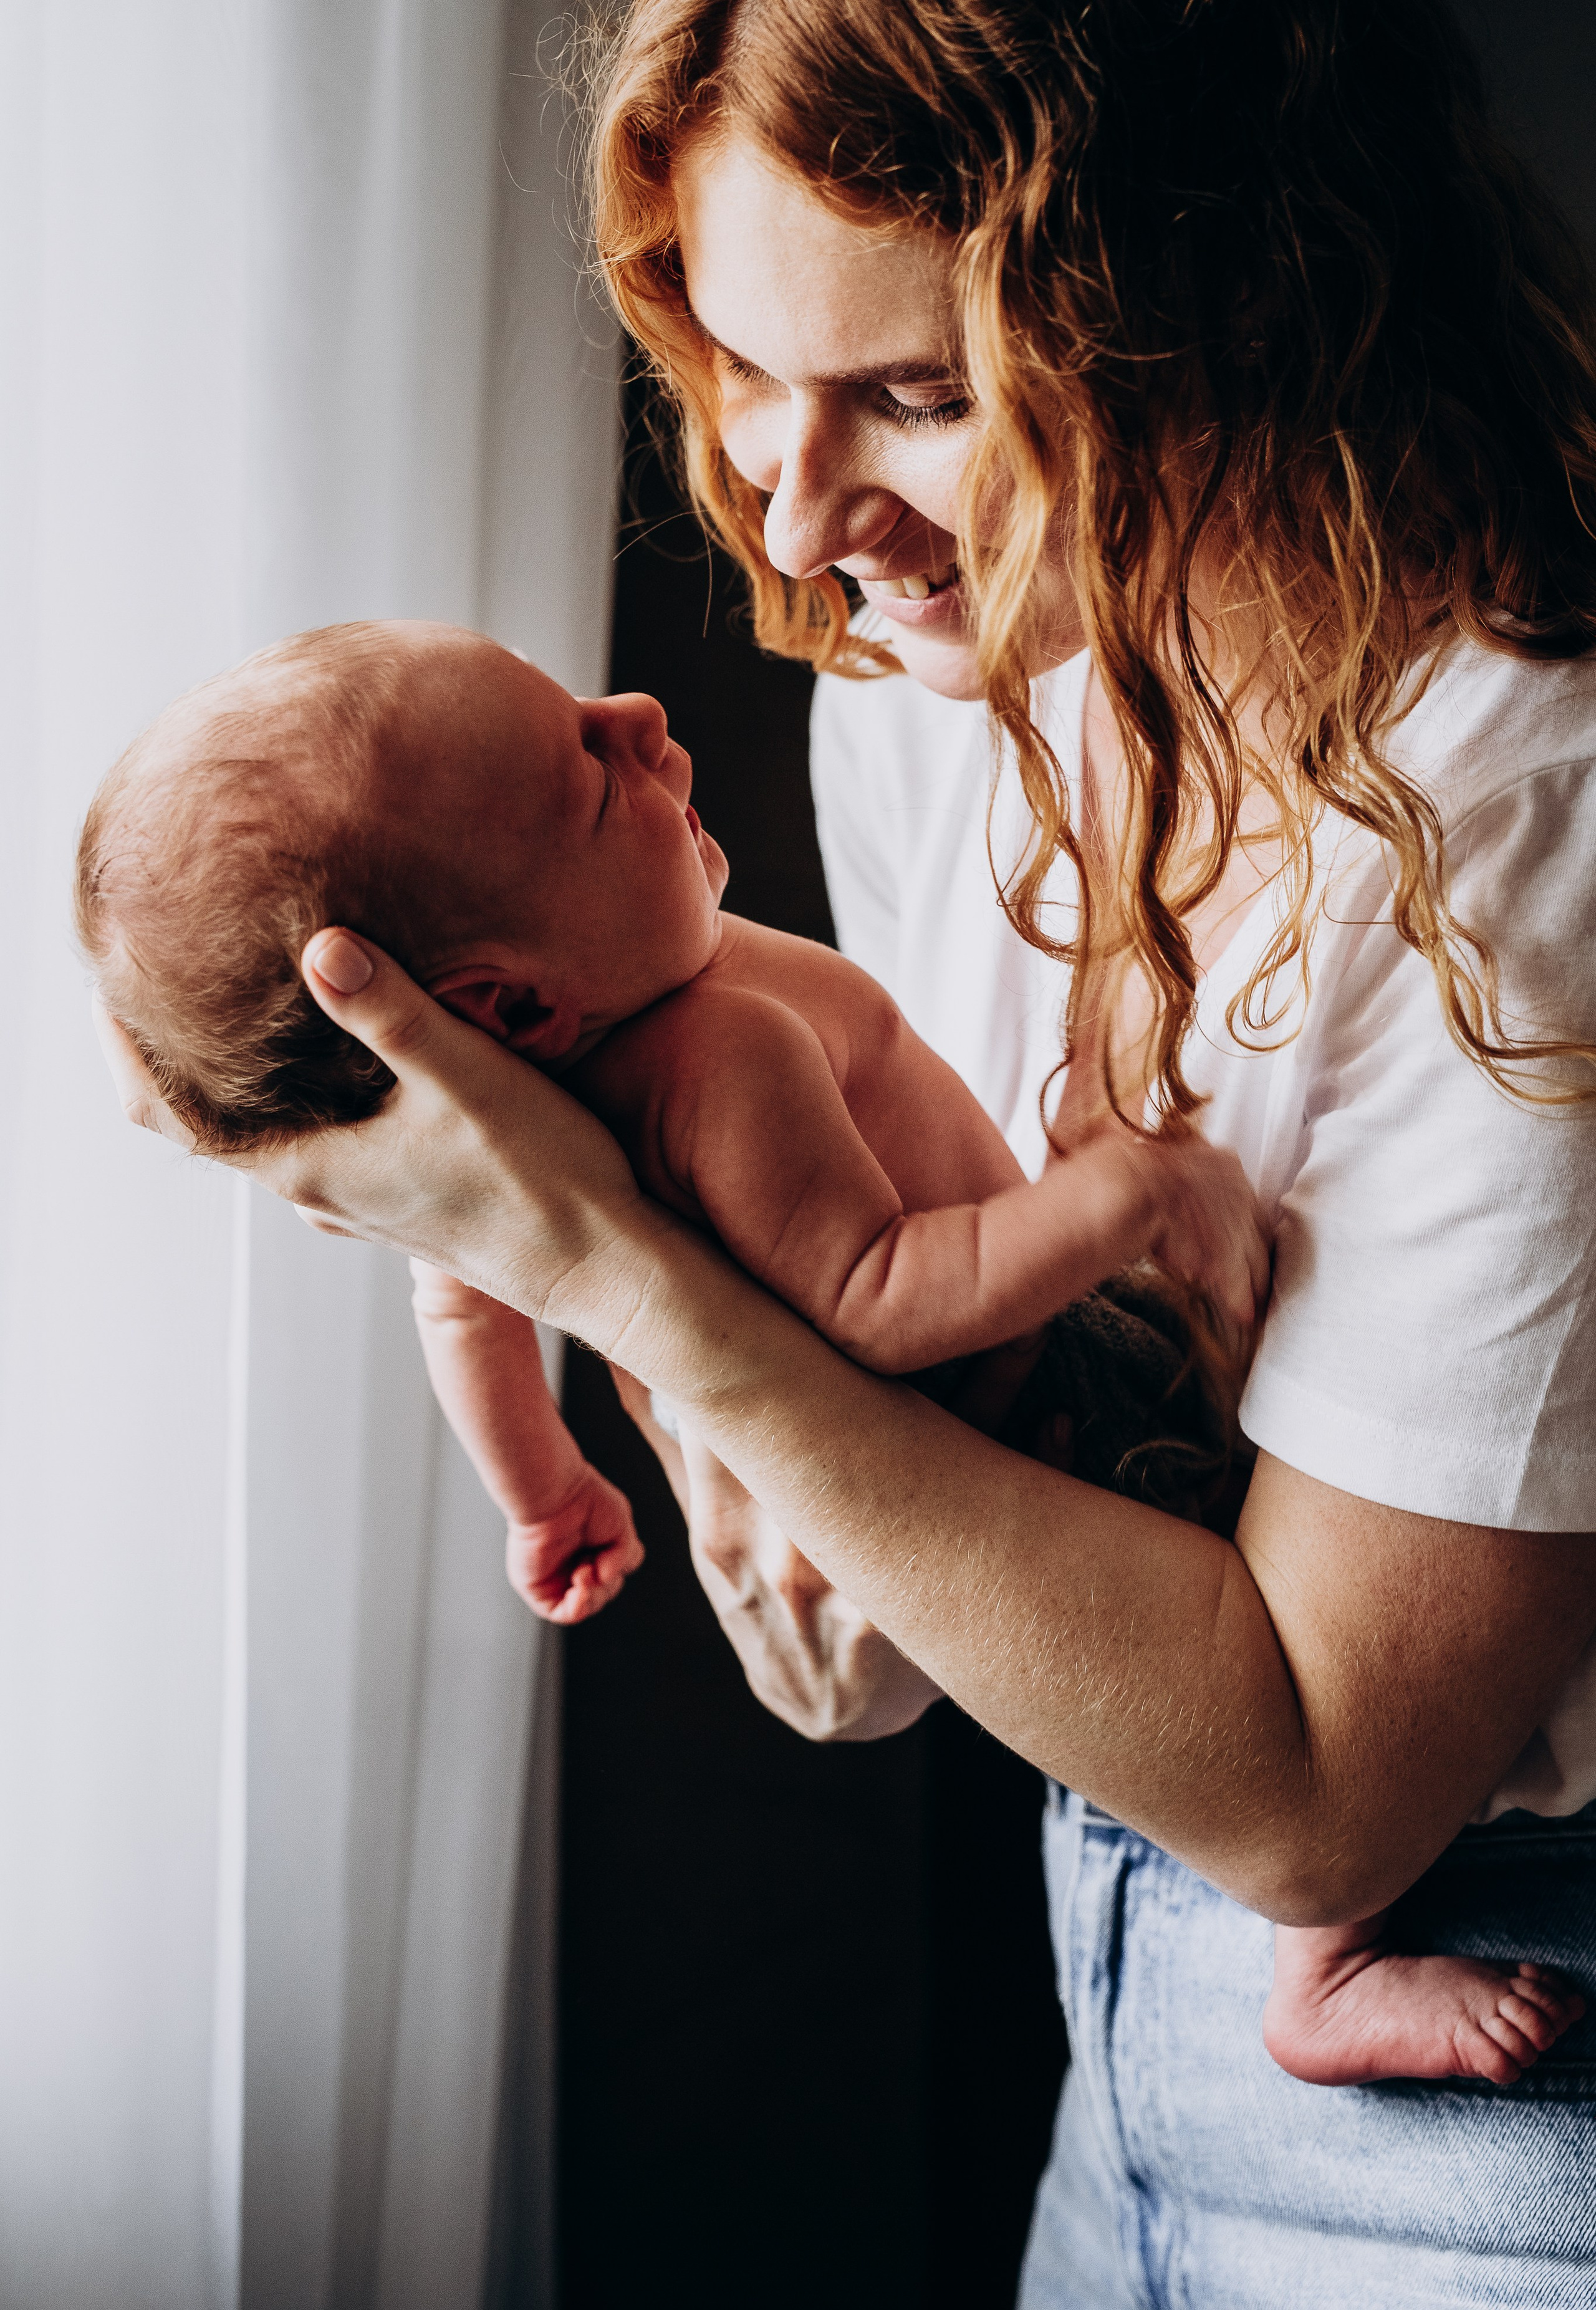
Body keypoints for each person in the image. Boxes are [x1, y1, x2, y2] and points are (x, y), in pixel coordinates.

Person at [97, 0, 1596, 2298]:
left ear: (1221, 310)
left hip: (1506, 2081)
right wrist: (762, 1488)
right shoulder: (931, 697)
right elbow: (876, 1612)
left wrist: (625, 1288)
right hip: (1112, 1994)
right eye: (742, 370)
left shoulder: (1524, 801)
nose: (789, 526)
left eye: (911, 395)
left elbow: (1317, 1795)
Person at [77, 614, 1582, 2090]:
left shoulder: (523, 1150)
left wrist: (542, 1492)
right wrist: (1103, 1200)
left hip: (966, 1567)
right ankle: (1324, 1963)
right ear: (514, 1001)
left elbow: (458, 1300)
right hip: (1043, 1420)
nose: (642, 718)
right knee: (1259, 1530)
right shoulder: (714, 1052)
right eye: (590, 776)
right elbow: (880, 1291)